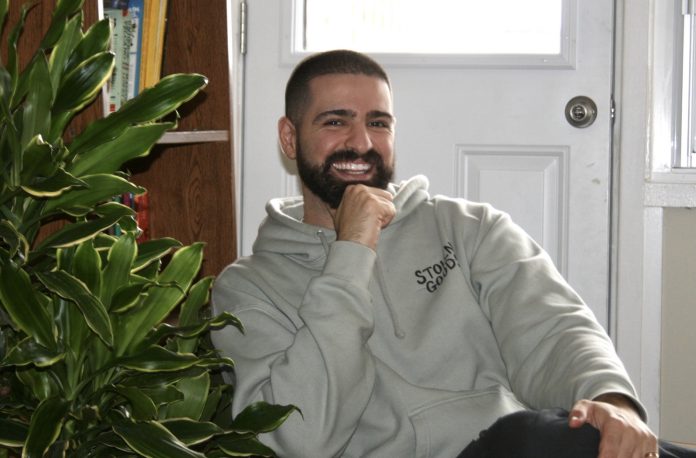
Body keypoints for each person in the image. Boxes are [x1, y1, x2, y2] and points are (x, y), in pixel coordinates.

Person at [212, 49, 695, 457]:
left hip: (513, 444)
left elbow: (553, 326)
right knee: (532, 435)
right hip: (507, 443)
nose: (362, 142)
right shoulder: (247, 289)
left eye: (378, 123)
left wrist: (614, 405)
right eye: (336, 121)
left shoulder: (467, 227)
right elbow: (301, 437)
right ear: (290, 138)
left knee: (589, 435)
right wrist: (351, 252)